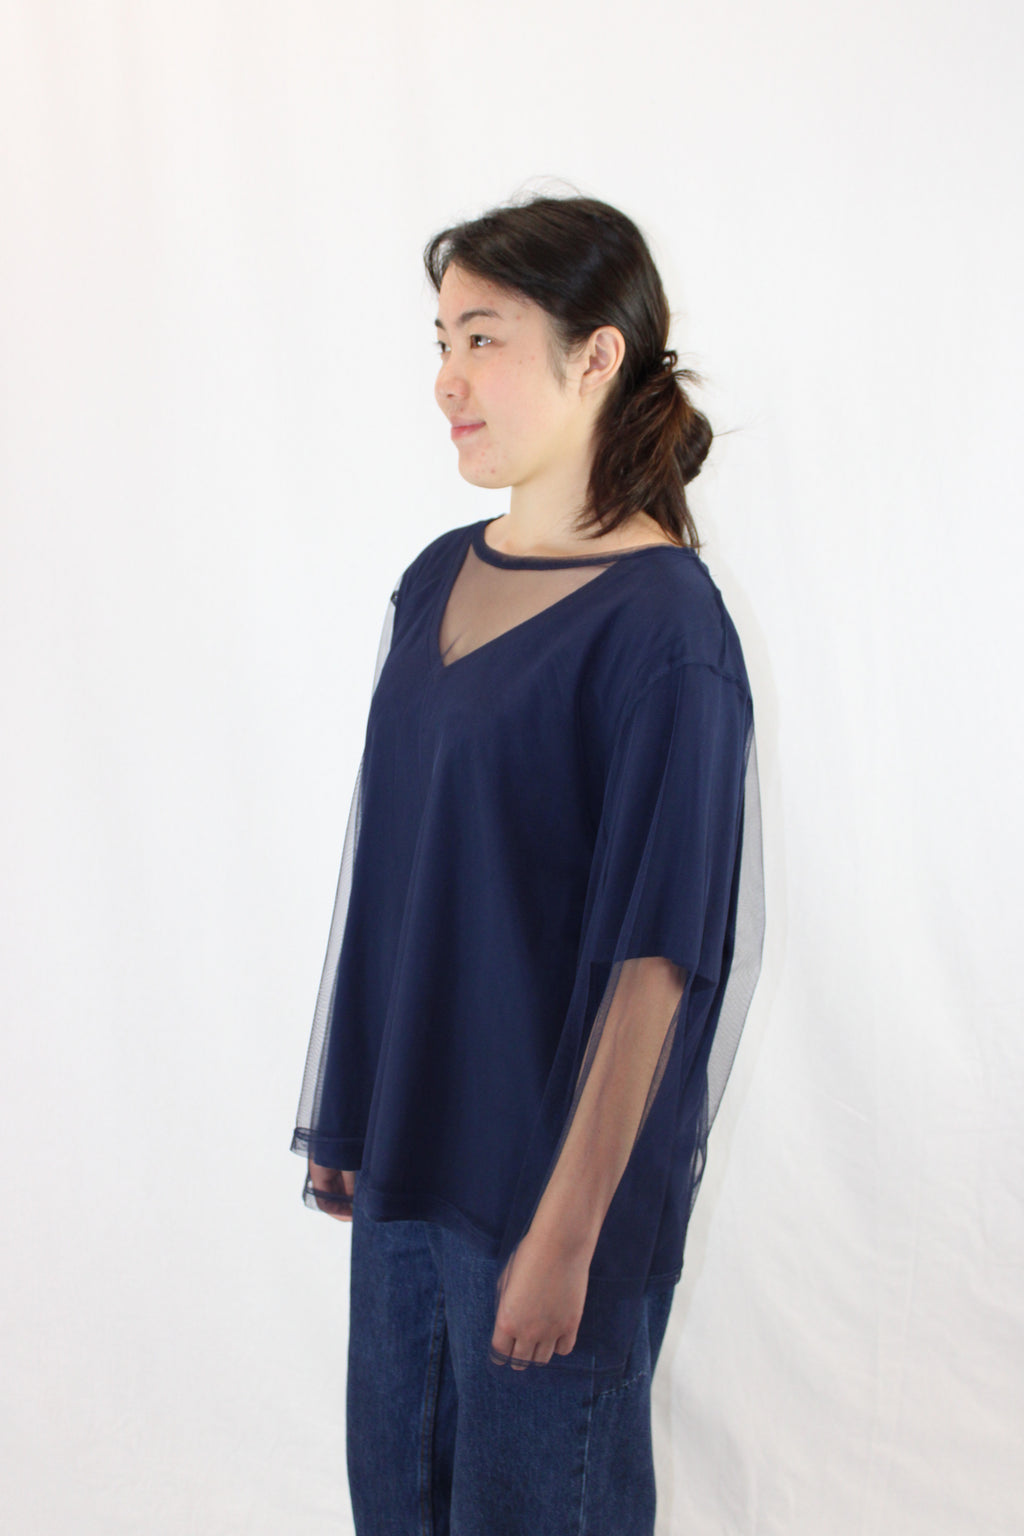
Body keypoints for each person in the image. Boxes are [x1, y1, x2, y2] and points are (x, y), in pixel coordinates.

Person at [291, 192, 765, 1536]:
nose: (447, 381)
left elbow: (660, 958)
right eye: (441, 342)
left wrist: (568, 1234)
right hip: (413, 1161)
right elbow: (401, 870)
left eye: (484, 339)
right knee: (399, 1504)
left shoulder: (665, 629)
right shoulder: (434, 580)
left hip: (552, 1190)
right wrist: (356, 1107)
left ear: (596, 354)